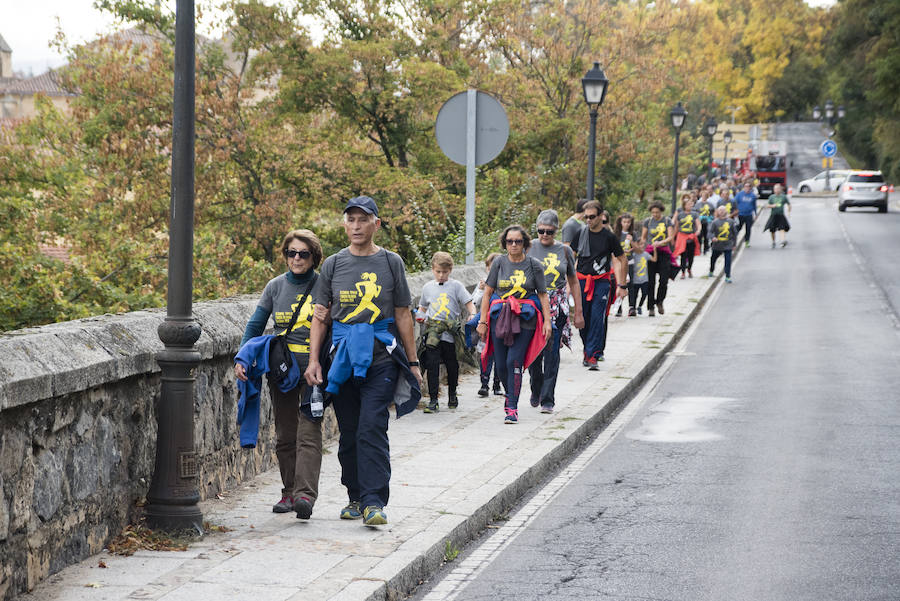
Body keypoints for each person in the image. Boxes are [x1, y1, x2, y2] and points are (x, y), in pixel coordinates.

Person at [306, 196, 422, 527]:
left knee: (373, 425)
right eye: (350, 220)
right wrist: (314, 360)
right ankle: (354, 497)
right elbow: (321, 317)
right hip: (341, 356)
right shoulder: (332, 265)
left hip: (381, 356)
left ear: (376, 224)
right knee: (350, 431)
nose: (356, 226)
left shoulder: (391, 262)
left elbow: (402, 313)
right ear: (344, 224)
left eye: (362, 220)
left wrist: (412, 363)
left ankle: (374, 502)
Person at [235, 229, 325, 519]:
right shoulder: (275, 287)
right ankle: (289, 492)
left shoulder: (324, 285)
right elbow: (255, 325)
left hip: (315, 370)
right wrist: (242, 357)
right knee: (286, 434)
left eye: (303, 254)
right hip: (282, 370)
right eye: (291, 253)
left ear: (314, 257)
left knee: (308, 433)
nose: (296, 259)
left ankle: (305, 496)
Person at [476, 225, 552, 424]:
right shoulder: (499, 263)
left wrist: (548, 322)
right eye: (510, 241)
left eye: (518, 241)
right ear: (505, 243)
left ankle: (512, 408)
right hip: (500, 317)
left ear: (525, 243)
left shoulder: (534, 265)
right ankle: (511, 394)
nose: (514, 245)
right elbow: (487, 293)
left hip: (526, 318)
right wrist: (482, 321)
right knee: (500, 365)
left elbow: (543, 295)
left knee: (514, 361)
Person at [527, 210, 584, 413]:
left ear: (556, 231)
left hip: (557, 306)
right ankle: (536, 386)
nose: (544, 235)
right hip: (534, 306)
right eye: (541, 230)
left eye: (549, 232)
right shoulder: (528, 247)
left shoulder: (564, 251)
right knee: (534, 353)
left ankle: (548, 398)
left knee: (552, 352)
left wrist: (578, 311)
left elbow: (574, 281)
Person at [416, 252, 475, 413]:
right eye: (438, 272)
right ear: (433, 269)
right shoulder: (427, 287)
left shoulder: (456, 286)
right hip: (433, 332)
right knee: (432, 364)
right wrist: (420, 316)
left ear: (450, 270)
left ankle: (452, 394)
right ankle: (433, 399)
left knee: (452, 364)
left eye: (445, 272)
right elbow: (422, 307)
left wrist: (472, 315)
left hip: (450, 332)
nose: (441, 275)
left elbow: (469, 303)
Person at [571, 201, 627, 368]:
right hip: (581, 281)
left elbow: (622, 259)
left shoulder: (609, 237)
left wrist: (622, 285)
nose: (588, 220)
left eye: (592, 217)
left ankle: (593, 355)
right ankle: (587, 348)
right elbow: (570, 257)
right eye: (586, 217)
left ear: (601, 216)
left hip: (601, 282)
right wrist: (567, 282)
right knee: (583, 318)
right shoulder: (580, 234)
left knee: (597, 317)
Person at [471, 252, 504, 397]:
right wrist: (480, 289)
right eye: (491, 269)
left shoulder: (505, 283)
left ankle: (497, 383)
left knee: (499, 355)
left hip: (500, 324)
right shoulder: (483, 283)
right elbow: (474, 301)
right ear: (487, 269)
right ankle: (484, 384)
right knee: (485, 355)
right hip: (485, 325)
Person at [639, 201, 674, 317]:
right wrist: (640, 246)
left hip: (663, 252)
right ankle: (650, 307)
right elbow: (644, 237)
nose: (655, 214)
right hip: (650, 252)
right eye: (653, 212)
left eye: (657, 212)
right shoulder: (647, 222)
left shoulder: (667, 221)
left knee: (664, 280)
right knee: (650, 281)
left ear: (661, 211)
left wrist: (660, 243)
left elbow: (670, 237)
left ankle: (659, 301)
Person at [613, 213, 638, 316]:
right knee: (619, 283)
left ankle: (632, 307)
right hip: (619, 263)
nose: (626, 224)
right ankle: (618, 306)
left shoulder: (633, 234)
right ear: (620, 222)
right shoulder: (616, 234)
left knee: (631, 285)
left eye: (628, 222)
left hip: (630, 261)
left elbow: (638, 249)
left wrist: (632, 242)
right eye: (624, 222)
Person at [707, 205, 737, 283]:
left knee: (728, 261)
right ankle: (711, 270)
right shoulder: (715, 222)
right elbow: (709, 232)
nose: (722, 212)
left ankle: (727, 276)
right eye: (720, 210)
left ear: (726, 211)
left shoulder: (730, 221)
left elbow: (734, 234)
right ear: (718, 212)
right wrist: (713, 237)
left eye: (723, 210)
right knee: (713, 258)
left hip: (728, 244)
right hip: (717, 245)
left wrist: (734, 244)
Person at [673, 194, 701, 278]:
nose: (690, 206)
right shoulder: (680, 215)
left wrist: (698, 230)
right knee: (683, 255)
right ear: (684, 206)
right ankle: (683, 272)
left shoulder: (694, 214)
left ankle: (689, 269)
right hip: (682, 236)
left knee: (691, 255)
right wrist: (673, 237)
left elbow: (698, 224)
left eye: (691, 204)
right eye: (688, 204)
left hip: (691, 236)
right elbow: (676, 227)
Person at [764, 183, 792, 248]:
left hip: (781, 215)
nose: (777, 190)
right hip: (773, 215)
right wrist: (772, 206)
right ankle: (773, 242)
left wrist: (789, 211)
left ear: (780, 189)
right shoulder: (771, 197)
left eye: (778, 188)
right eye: (775, 189)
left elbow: (789, 204)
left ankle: (783, 241)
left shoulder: (783, 196)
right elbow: (767, 205)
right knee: (772, 230)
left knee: (782, 228)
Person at [630, 244, 655, 315]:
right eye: (640, 245)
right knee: (635, 295)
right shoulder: (633, 255)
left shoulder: (645, 254)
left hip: (644, 279)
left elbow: (654, 259)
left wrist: (655, 249)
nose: (642, 247)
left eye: (644, 246)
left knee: (645, 293)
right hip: (635, 280)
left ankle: (640, 306)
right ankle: (633, 309)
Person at [734, 180, 758, 247]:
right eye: (746, 186)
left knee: (748, 229)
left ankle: (747, 241)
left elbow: (754, 206)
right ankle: (734, 241)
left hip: (749, 215)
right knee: (738, 228)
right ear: (743, 187)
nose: (747, 188)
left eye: (748, 186)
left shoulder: (753, 196)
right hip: (740, 214)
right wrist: (735, 212)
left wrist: (755, 214)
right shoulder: (739, 194)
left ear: (750, 188)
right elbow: (734, 202)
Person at [696, 188, 716, 255]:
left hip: (707, 222)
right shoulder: (698, 204)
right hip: (700, 222)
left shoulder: (710, 204)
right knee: (699, 236)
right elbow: (695, 212)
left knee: (706, 236)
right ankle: (699, 249)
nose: (704, 197)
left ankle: (705, 249)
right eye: (703, 195)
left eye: (705, 196)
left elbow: (714, 212)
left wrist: (712, 218)